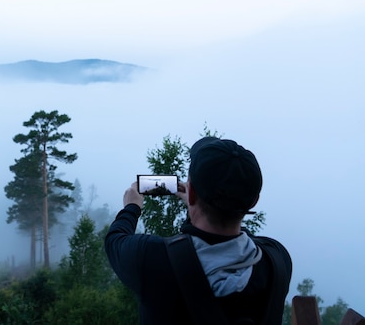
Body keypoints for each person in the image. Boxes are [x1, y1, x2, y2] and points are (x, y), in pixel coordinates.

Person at [105, 137, 292, 324]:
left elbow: (115, 240)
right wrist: (198, 203)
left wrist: (132, 206)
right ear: (254, 201)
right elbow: (236, 237)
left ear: (191, 192)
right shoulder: (277, 260)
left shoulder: (152, 258)